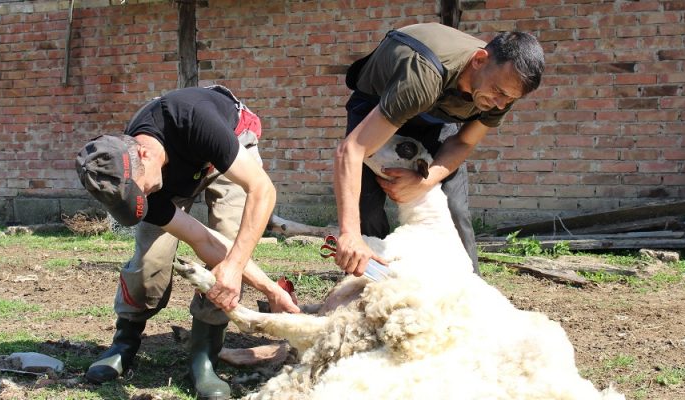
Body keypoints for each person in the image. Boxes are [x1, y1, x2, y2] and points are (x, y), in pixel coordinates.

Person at [75, 85, 299, 400]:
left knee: (234, 241)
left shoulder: (195, 119)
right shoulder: (131, 177)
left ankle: (203, 359)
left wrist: (242, 272)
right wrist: (268, 288)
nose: (143, 199)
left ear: (143, 153)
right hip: (176, 175)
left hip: (229, 149)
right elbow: (201, 238)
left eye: (141, 192)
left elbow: (263, 190)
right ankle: (125, 340)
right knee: (150, 261)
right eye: (135, 198)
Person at [334, 23, 545, 276]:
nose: (500, 104)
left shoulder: (501, 92)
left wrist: (425, 181)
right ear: (479, 60)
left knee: (455, 208)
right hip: (379, 103)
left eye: (510, 98)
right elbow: (352, 151)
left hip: (437, 116)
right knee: (366, 209)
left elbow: (464, 141)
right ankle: (368, 282)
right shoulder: (422, 78)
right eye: (498, 92)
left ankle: (469, 289)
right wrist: (350, 234)